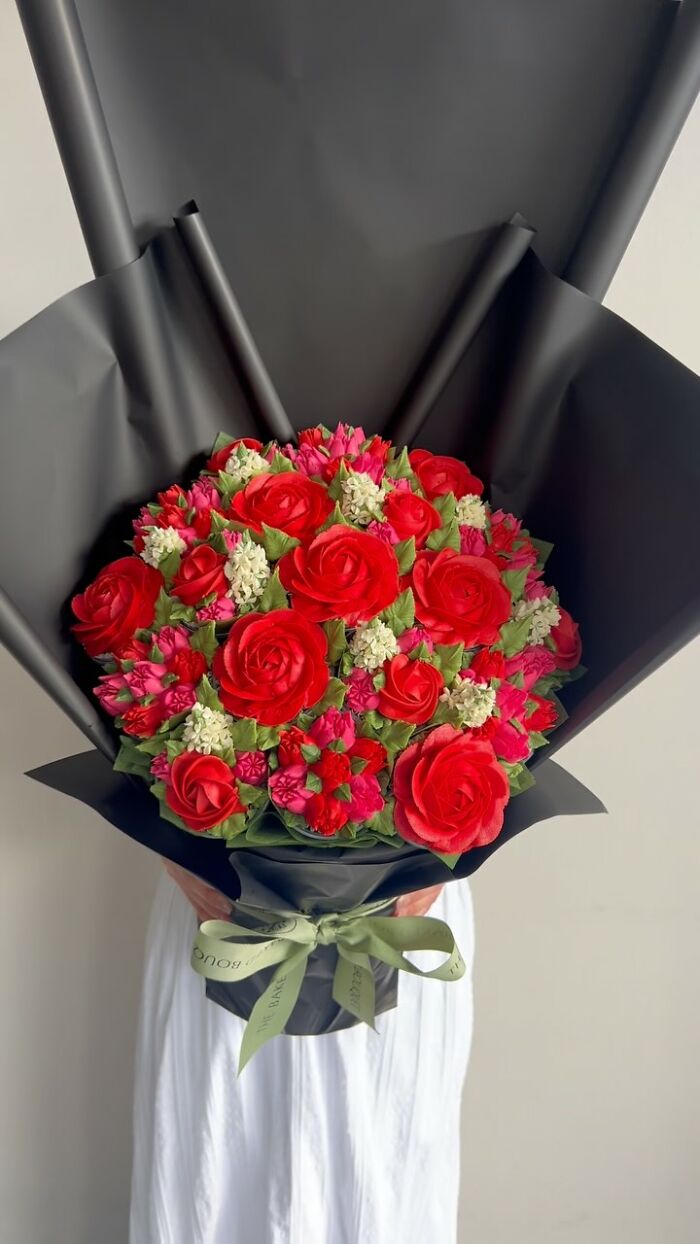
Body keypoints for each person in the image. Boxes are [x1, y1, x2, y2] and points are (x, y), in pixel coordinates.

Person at [129, 861, 475, 1244]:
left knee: (384, 1170)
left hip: (404, 910)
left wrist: (453, 847)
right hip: (218, 901)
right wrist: (173, 855)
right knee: (212, 1160)